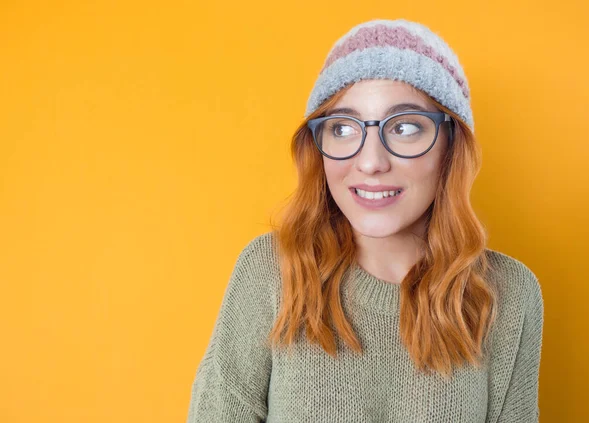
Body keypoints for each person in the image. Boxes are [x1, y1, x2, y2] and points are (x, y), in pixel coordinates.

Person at [186, 18, 544, 423]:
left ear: (451, 146)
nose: (371, 162)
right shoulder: (271, 271)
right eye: (342, 127)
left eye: (406, 127)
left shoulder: (508, 296)